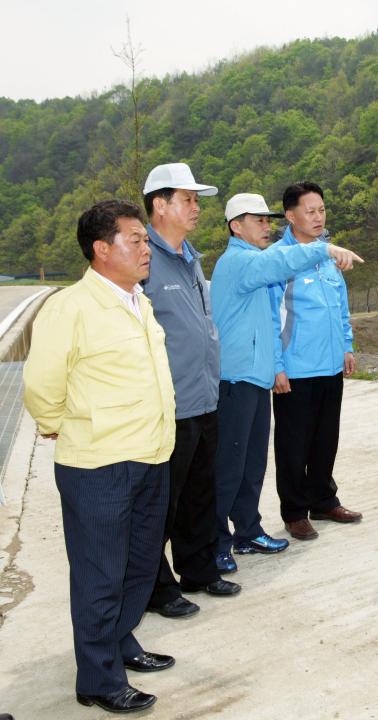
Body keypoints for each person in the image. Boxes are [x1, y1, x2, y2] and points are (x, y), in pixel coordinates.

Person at [24, 200, 177, 714]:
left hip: (152, 455)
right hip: (99, 466)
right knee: (100, 575)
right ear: (101, 249)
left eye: (144, 239)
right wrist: (59, 424)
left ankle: (119, 642)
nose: (145, 248)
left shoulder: (139, 301)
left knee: (139, 567)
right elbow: (43, 385)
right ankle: (97, 678)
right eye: (135, 239)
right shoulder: (70, 307)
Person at [212, 194, 362, 567]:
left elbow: (337, 307)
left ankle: (250, 530)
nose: (266, 225)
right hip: (260, 373)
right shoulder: (254, 262)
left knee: (259, 461)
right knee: (241, 463)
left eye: (268, 220)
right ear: (236, 225)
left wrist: (346, 343)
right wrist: (325, 249)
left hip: (281, 370)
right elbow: (277, 306)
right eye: (258, 220)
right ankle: (222, 542)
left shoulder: (276, 260)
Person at [140, 163, 241, 618]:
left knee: (201, 491)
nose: (197, 207)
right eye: (187, 199)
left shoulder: (191, 256)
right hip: (169, 404)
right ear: (160, 205)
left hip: (204, 395)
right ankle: (156, 587)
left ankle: (198, 570)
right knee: (163, 501)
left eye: (197, 200)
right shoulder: (143, 259)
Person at [269, 182, 362, 541]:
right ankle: (294, 511)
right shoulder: (279, 259)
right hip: (295, 368)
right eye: (310, 211)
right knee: (294, 444)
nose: (318, 216)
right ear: (290, 216)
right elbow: (272, 316)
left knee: (326, 437)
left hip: (330, 364)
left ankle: (323, 500)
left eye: (321, 209)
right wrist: (276, 365)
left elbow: (340, 306)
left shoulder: (328, 255)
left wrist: (347, 345)